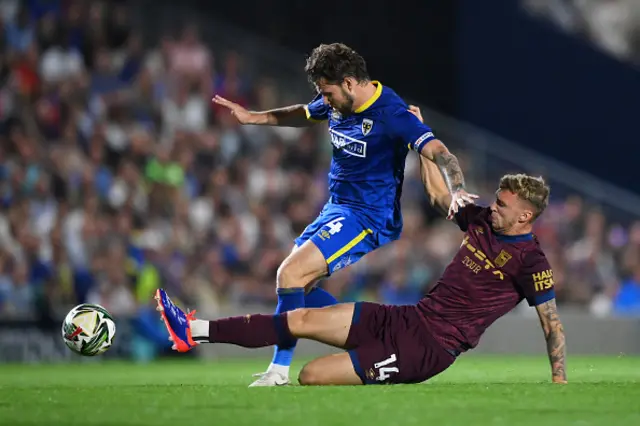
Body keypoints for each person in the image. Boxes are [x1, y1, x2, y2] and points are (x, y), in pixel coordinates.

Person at [211, 43, 476, 386]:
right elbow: (305, 114)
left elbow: (441, 152)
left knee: (289, 274)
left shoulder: (391, 114)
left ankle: (277, 372)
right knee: (299, 291)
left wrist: (456, 190)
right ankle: (367, 340)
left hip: (367, 216)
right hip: (336, 208)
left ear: (350, 83)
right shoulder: (339, 101)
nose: (326, 100)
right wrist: (255, 117)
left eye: (328, 92)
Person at [155, 166, 567, 386]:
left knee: (311, 375)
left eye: (502, 204)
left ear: (525, 215)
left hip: (427, 351)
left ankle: (327, 337)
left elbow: (551, 324)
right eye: (495, 201)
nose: (493, 207)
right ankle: (192, 329)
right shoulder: (480, 221)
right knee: (297, 319)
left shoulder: (531, 261)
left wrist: (559, 378)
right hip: (407, 318)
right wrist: (422, 144)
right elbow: (441, 196)